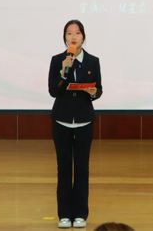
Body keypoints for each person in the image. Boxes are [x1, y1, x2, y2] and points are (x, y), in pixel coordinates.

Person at [48, 20, 103, 229]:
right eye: (69, 33)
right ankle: (64, 214)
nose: (73, 37)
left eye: (77, 33)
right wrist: (63, 72)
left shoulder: (93, 61)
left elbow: (99, 89)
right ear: (65, 37)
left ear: (83, 36)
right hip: (61, 120)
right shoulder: (57, 60)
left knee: (81, 168)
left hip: (84, 120)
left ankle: (80, 214)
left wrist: (94, 92)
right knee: (63, 168)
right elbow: (53, 91)